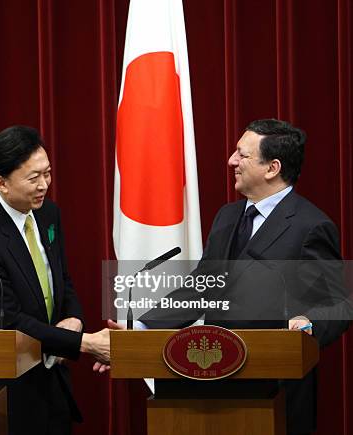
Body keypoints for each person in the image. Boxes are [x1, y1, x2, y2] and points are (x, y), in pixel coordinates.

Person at [130, 119, 350, 435]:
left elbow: (337, 304)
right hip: (215, 380)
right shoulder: (227, 216)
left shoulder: (310, 227)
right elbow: (203, 286)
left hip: (276, 388)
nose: (231, 161)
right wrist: (141, 328)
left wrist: (309, 324)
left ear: (272, 168)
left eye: (242, 155)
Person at [0, 125, 112, 435]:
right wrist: (84, 343)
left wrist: (73, 318)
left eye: (48, 173)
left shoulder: (47, 214)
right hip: (12, 386)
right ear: (1, 183)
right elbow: (10, 319)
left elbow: (62, 277)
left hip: (54, 378)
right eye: (33, 178)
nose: (44, 185)